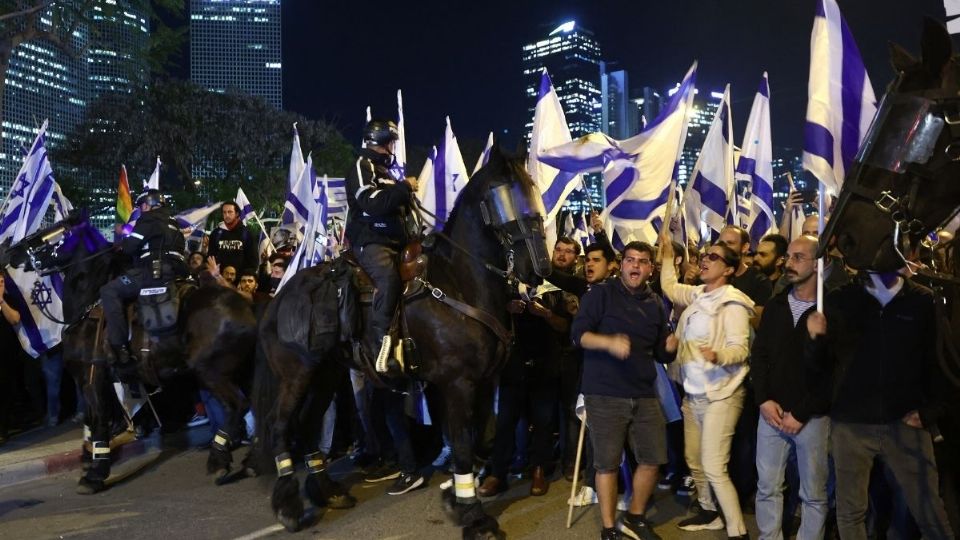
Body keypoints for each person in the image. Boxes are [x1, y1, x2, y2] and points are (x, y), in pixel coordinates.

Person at [806, 270, 955, 539]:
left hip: (906, 422)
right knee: (851, 512)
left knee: (929, 509)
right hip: (851, 424)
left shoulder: (922, 300)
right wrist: (816, 340)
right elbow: (821, 366)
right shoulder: (842, 298)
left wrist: (932, 411)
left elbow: (938, 362)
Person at [571, 241, 677, 540]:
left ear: (649, 268)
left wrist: (670, 348)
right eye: (630, 260)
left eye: (642, 261)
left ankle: (634, 516)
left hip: (644, 392)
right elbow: (578, 335)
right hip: (604, 392)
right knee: (607, 463)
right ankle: (608, 528)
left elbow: (659, 353)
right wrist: (608, 342)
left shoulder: (655, 302)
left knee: (653, 458)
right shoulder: (600, 295)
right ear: (622, 264)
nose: (635, 266)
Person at [659, 237, 755, 539]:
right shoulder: (699, 294)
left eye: (713, 257)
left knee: (714, 465)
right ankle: (708, 509)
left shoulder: (733, 302)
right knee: (695, 460)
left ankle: (738, 531)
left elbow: (740, 349)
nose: (704, 259)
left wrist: (718, 356)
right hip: (693, 394)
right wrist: (666, 256)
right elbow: (669, 287)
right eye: (704, 255)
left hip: (722, 395)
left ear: (728, 269)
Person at [751, 236, 831, 540]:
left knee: (813, 492)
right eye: (788, 256)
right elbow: (759, 356)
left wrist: (802, 412)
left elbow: (832, 375)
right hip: (771, 413)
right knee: (768, 486)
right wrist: (763, 399)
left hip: (811, 418)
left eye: (799, 257)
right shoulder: (776, 304)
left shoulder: (830, 311)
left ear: (817, 264)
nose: (788, 263)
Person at [345, 118, 419, 372]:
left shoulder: (387, 172)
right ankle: (380, 345)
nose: (392, 148)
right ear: (380, 142)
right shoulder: (361, 165)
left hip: (398, 242)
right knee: (389, 279)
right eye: (391, 142)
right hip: (372, 241)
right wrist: (403, 188)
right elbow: (370, 203)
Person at [100, 189, 186, 375]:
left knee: (109, 291)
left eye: (141, 207)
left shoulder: (147, 219)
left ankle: (120, 347)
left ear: (148, 205)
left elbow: (130, 247)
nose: (141, 210)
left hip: (150, 273)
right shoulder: (174, 223)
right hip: (176, 272)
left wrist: (123, 241)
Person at [207, 201, 259, 278]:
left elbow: (253, 261)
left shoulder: (247, 234)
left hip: (240, 282)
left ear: (237, 213)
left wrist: (244, 279)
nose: (227, 215)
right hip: (220, 280)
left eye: (230, 212)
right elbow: (211, 258)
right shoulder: (216, 233)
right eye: (224, 212)